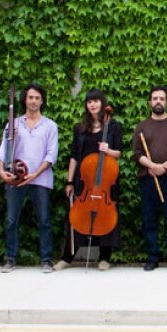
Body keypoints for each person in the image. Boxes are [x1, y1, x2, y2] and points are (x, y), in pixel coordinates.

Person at [57, 88, 122, 271]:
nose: (92, 104)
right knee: (77, 216)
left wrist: (108, 150)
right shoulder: (80, 128)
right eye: (89, 102)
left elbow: (119, 152)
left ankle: (104, 257)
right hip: (84, 180)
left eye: (96, 101)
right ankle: (67, 257)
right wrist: (69, 181)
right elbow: (74, 156)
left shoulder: (114, 126)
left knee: (107, 216)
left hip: (105, 180)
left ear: (102, 103)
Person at [0, 83, 58, 273]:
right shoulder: (13, 124)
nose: (33, 101)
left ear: (42, 101)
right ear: (24, 99)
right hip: (16, 178)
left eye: (37, 98)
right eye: (30, 97)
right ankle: (10, 258)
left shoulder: (50, 126)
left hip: (40, 179)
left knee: (44, 220)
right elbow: (2, 151)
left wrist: (34, 174)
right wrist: (1, 171)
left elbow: (51, 155)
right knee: (11, 220)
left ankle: (47, 259)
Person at [131, 86, 167, 272]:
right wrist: (152, 167)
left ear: (166, 102)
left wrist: (163, 167)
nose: (158, 101)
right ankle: (153, 257)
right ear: (149, 102)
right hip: (148, 178)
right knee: (149, 219)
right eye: (155, 98)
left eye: (161, 98)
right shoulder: (142, 126)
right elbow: (137, 153)